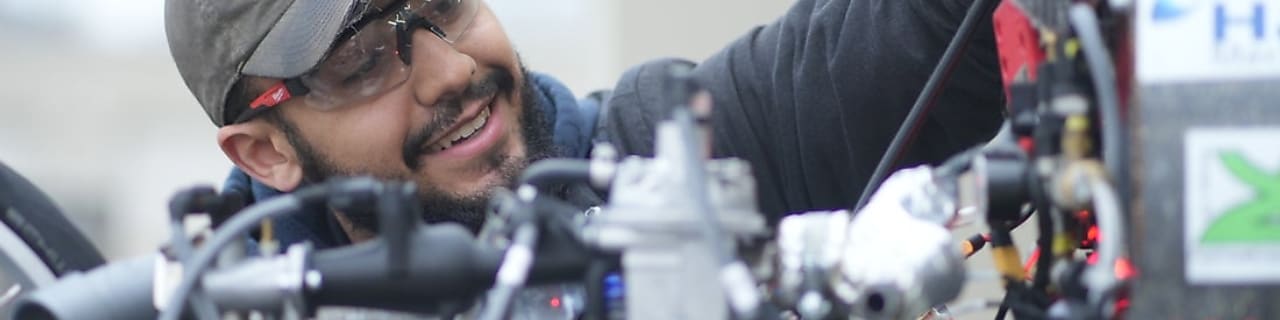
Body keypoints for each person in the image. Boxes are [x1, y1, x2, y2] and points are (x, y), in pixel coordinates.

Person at [165, 0, 1003, 249]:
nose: (453, 70)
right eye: (360, 62)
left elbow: (928, 26)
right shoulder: (226, 303)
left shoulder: (682, 149)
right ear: (266, 152)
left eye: (446, 6)